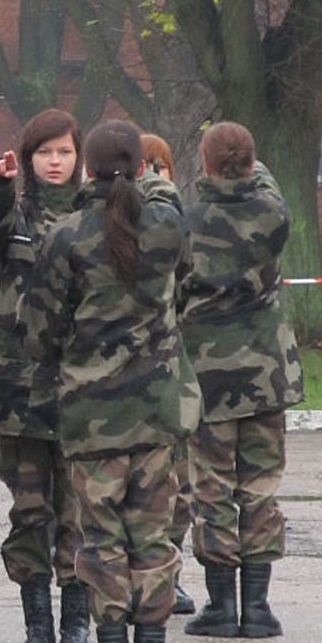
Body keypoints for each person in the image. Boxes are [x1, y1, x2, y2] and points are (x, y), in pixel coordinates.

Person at [20, 119, 201, 643]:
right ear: (142, 168)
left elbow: (38, 331)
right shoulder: (166, 226)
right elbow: (186, 279)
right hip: (158, 410)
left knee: (100, 541)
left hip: (93, 414)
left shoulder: (67, 236)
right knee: (153, 539)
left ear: (87, 168)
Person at [0, 109, 92, 643]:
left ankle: (76, 626)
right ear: (28, 157)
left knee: (78, 512)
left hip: (78, 385)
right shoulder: (14, 214)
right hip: (16, 388)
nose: (55, 162)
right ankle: (37, 627)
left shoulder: (95, 216)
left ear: (80, 157)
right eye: (45, 152)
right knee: (29, 512)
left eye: (65, 152)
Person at [178, 122, 303, 639]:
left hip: (208, 374)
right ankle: (257, 606)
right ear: (251, 163)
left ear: (205, 165)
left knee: (211, 488)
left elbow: (174, 289)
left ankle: (221, 605)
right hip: (267, 370)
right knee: (260, 486)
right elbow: (264, 181)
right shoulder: (273, 213)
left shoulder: (188, 221)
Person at [139, 132, 196, 615]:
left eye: (163, 166)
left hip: (173, 370)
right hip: (132, 378)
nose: (157, 176)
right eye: (148, 166)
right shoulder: (121, 223)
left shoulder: (178, 222)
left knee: (180, 486)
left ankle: (170, 573)